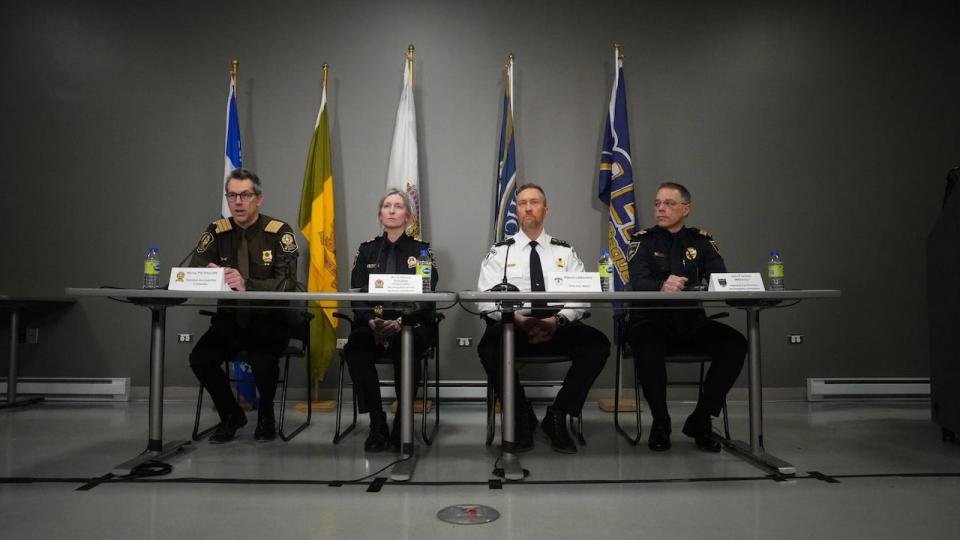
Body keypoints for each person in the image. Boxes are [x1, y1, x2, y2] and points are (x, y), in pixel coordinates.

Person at [477, 183, 610, 454]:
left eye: (534, 202)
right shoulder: (500, 252)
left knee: (597, 345)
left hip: (557, 325)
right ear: (516, 210)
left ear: (545, 210)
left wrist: (557, 321)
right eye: (523, 202)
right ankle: (521, 416)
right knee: (490, 347)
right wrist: (520, 321)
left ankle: (558, 415)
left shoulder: (564, 251)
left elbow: (581, 296)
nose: (528, 207)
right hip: (513, 326)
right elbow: (484, 300)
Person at [625, 182, 746, 452]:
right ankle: (661, 422)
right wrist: (661, 286)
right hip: (651, 321)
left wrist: (719, 283)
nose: (661, 208)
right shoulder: (642, 240)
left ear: (686, 208)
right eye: (657, 203)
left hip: (691, 322)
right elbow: (637, 280)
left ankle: (701, 419)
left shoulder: (701, 241)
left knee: (735, 344)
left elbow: (719, 277)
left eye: (668, 203)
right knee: (646, 344)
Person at [188, 168, 300, 444]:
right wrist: (211, 271)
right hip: (229, 320)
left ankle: (266, 415)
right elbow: (196, 265)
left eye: (245, 195)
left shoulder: (278, 232)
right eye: (232, 195)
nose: (237, 202)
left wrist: (246, 283)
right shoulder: (217, 231)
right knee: (200, 359)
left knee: (263, 361)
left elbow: (287, 282)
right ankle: (231, 415)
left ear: (259, 199)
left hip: (268, 320)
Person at [344, 188, 438, 453]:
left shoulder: (421, 252)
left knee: (405, 346)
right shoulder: (367, 251)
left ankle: (402, 420)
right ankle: (376, 420)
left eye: (398, 206)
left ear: (408, 217)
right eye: (387, 206)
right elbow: (357, 293)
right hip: (373, 323)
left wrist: (401, 322)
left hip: (410, 324)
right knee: (355, 348)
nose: (393, 210)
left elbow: (427, 293)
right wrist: (370, 322)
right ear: (380, 215)